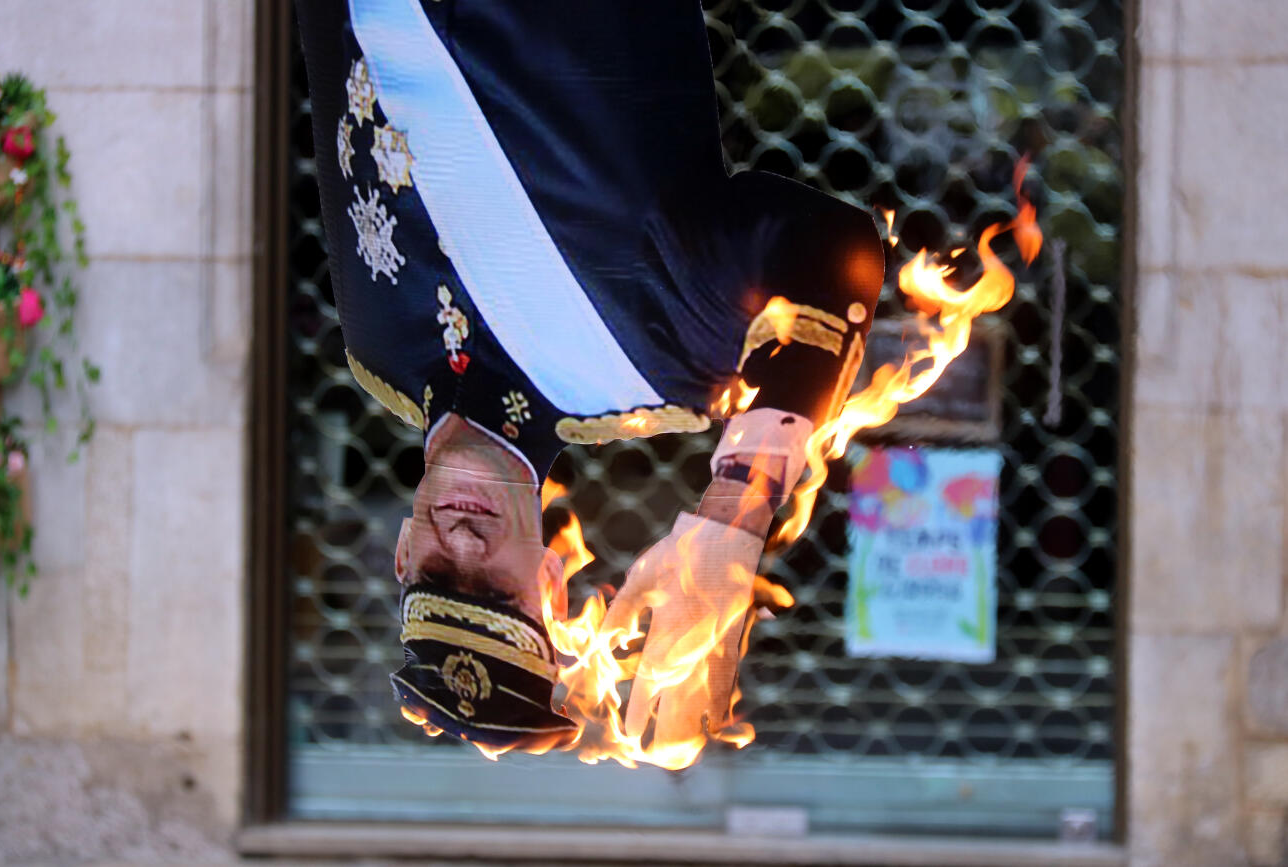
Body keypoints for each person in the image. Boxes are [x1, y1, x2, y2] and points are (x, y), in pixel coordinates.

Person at [294, 0, 884, 750]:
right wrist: (736, 513)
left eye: (441, 576)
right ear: (547, 581)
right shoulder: (652, 356)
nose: (466, 545)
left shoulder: (372, 346)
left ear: (404, 552)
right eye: (495, 589)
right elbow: (836, 251)